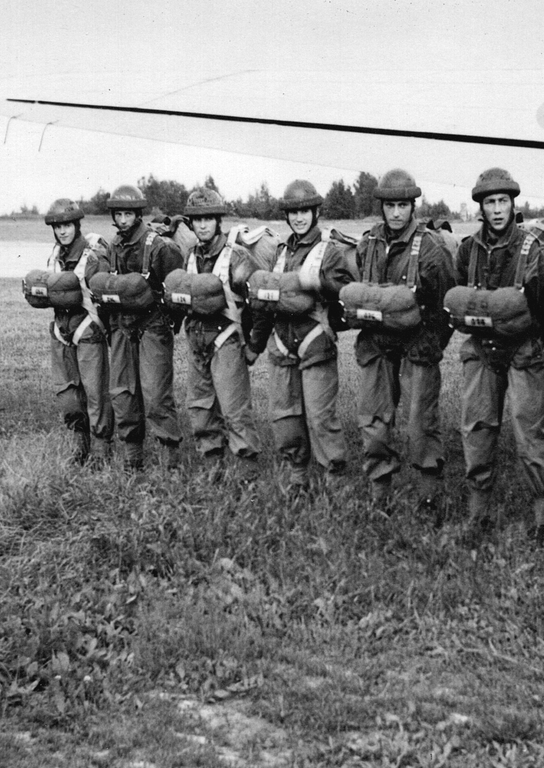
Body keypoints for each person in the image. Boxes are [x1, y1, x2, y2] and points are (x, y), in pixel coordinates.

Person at [454, 167, 544, 537]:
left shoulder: (534, 250)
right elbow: (459, 299)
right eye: (490, 202)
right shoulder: (467, 250)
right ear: (481, 207)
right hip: (481, 351)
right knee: (477, 429)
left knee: (531, 433)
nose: (497, 209)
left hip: (523, 352)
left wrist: (533, 343)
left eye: (503, 201)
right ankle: (478, 512)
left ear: (513, 204)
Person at [354, 168, 456, 511]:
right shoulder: (368, 244)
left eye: (403, 205)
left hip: (418, 344)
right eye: (390, 206)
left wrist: (430, 345)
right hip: (377, 344)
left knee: (420, 423)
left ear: (413, 206)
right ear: (381, 207)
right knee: (373, 420)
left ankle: (429, 495)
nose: (396, 213)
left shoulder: (431, 248)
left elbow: (445, 307)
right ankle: (380, 492)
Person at [246, 179, 355, 493]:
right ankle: (298, 477)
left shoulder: (329, 251)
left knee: (320, 417)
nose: (298, 218)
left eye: (304, 211)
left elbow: (346, 293)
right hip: (281, 343)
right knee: (285, 417)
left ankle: (335, 481)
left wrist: (318, 283)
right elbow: (267, 301)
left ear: (315, 212)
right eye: (293, 212)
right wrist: (255, 344)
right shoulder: (280, 252)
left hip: (315, 342)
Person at [97, 184, 183, 470]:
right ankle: (132, 458)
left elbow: (176, 289)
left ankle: (170, 461)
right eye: (118, 214)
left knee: (156, 394)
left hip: (153, 325)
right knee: (123, 394)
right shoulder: (112, 247)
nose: (123, 220)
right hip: (121, 325)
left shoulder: (159, 247)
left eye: (128, 214)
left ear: (138, 214)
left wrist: (169, 323)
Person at [181, 188, 261, 475]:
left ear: (218, 221)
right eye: (197, 220)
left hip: (227, 340)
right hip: (197, 342)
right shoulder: (190, 256)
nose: (202, 225)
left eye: (208, 219)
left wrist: (253, 345)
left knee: (234, 410)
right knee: (200, 408)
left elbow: (258, 304)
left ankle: (247, 473)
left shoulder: (237, 257)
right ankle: (212, 466)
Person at [43, 197, 114, 464]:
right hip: (61, 331)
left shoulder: (93, 257)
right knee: (68, 395)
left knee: (95, 393)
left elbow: (105, 298)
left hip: (88, 330)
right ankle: (80, 446)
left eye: (67, 225)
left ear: (77, 225)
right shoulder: (54, 255)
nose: (62, 231)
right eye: (57, 226)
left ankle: (101, 450)